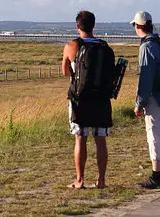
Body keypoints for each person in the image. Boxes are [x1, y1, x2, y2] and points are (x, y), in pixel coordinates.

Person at [62, 10, 114, 189]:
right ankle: (101, 180)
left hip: (80, 99)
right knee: (100, 139)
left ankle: (80, 179)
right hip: (101, 98)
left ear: (77, 26)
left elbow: (65, 72)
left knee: (80, 139)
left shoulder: (71, 46)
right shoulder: (105, 47)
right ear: (94, 26)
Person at [131, 11, 160, 189]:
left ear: (137, 26)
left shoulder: (146, 47)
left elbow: (146, 79)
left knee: (154, 135)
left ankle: (156, 175)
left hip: (154, 98)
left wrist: (139, 103)